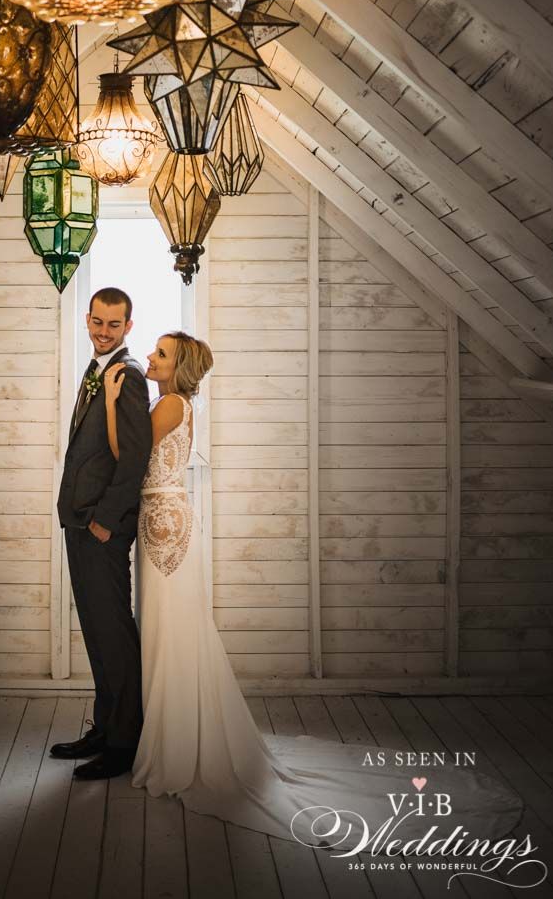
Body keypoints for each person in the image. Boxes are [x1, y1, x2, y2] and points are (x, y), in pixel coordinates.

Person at [103, 331, 527, 852]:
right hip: (164, 521)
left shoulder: (169, 404)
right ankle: (172, 734)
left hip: (165, 526)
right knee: (170, 630)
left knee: (171, 631)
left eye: (160, 353)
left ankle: (177, 746)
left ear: (178, 366)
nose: (149, 356)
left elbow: (127, 455)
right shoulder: (176, 403)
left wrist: (107, 402)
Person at [50, 287, 152, 780]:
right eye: (97, 322)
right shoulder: (96, 371)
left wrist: (105, 523)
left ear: (128, 327)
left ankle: (124, 745)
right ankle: (104, 728)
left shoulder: (127, 376)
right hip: (79, 520)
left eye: (114, 325)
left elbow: (134, 459)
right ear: (88, 318)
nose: (103, 331)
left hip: (101, 529)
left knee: (114, 636)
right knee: (96, 632)